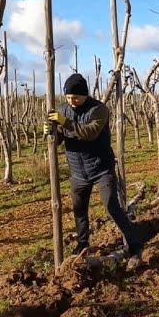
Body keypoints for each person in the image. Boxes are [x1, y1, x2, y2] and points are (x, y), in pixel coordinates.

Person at [43, 73, 143, 270]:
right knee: (79, 211)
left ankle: (135, 246)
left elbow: (88, 133)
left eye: (75, 98)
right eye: (68, 97)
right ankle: (82, 244)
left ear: (85, 95)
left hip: (101, 168)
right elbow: (61, 137)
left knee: (112, 208)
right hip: (78, 172)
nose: (71, 101)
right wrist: (51, 132)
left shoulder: (99, 109)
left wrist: (64, 122)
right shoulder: (63, 110)